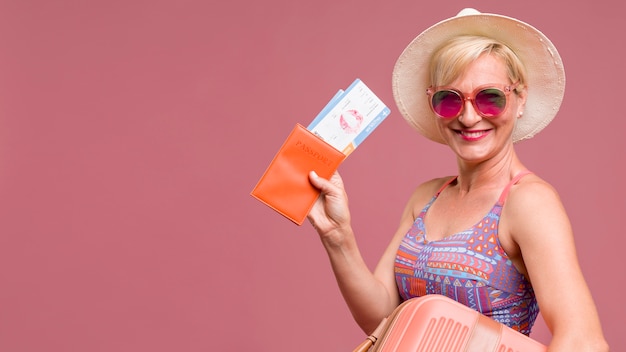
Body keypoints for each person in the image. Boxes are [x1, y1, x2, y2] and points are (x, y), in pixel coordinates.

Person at [307, 8, 609, 351]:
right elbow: (382, 318)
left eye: (489, 98)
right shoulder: (427, 196)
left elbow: (584, 341)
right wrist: (337, 236)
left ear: (520, 99)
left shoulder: (527, 202)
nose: (468, 117)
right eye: (449, 100)